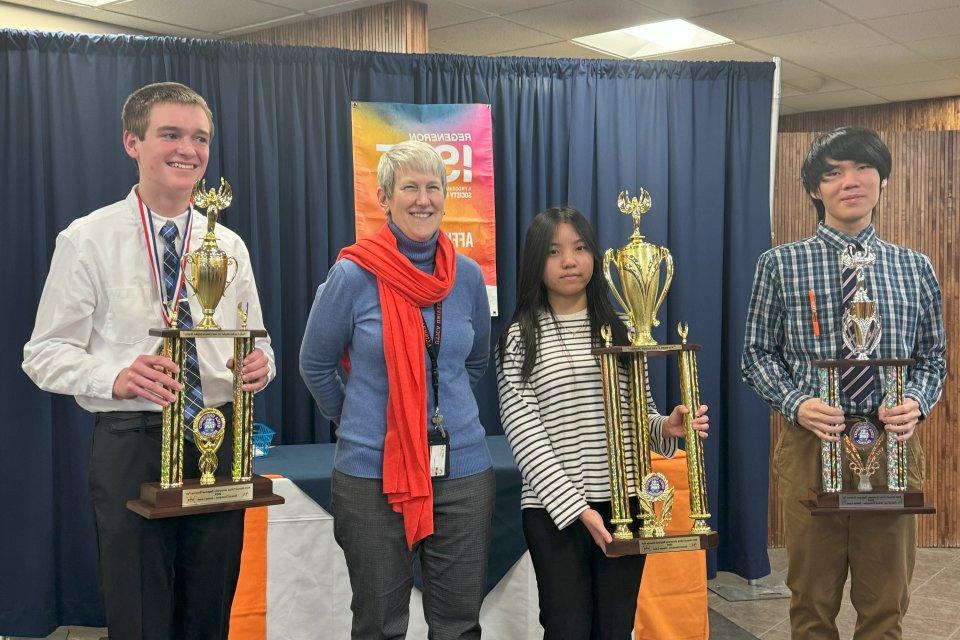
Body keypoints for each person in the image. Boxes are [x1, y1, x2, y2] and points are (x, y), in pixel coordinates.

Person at [22, 82, 275, 640]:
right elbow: (42, 354)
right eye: (171, 134)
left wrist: (260, 364)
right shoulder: (87, 239)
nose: (189, 149)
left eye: (200, 138)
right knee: (141, 615)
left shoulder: (227, 245)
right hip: (132, 438)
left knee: (210, 609)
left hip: (217, 436)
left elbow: (259, 341)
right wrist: (113, 376)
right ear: (131, 142)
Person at [742, 126, 946, 639]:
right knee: (812, 599)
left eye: (861, 168)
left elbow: (933, 358)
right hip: (812, 444)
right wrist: (797, 402)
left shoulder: (914, 268)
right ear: (815, 189)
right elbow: (757, 355)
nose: (848, 182)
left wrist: (916, 402)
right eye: (832, 173)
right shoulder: (780, 265)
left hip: (892, 448)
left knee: (886, 602)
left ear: (883, 180)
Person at [299, 140, 494, 640]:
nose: (423, 199)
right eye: (409, 187)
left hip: (464, 471)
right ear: (384, 198)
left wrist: (437, 415)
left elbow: (473, 363)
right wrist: (361, 422)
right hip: (370, 475)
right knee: (379, 626)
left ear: (447, 197)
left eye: (434, 187)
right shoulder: (352, 275)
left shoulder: (468, 277)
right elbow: (315, 363)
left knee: (457, 625)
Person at [496, 206, 709, 639]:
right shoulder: (518, 338)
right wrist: (578, 510)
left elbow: (638, 415)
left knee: (615, 627)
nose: (569, 261)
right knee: (567, 627)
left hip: (626, 505)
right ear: (536, 262)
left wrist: (665, 428)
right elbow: (526, 438)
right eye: (554, 252)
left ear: (595, 256)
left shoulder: (625, 329)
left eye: (579, 248)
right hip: (554, 513)